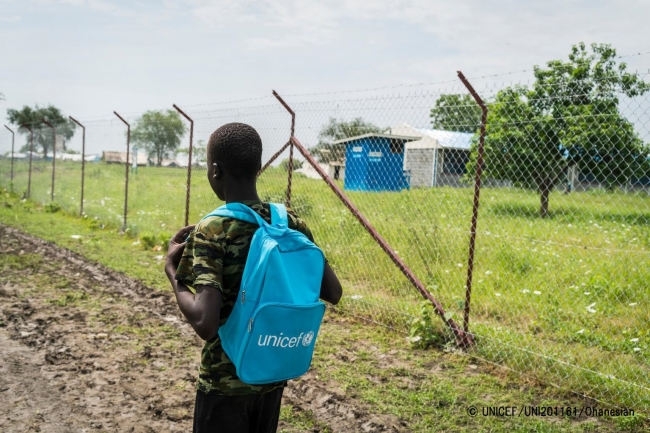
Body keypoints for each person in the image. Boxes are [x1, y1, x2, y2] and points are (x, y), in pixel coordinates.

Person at [164, 123, 343, 433]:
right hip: (270, 375)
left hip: (224, 385)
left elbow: (205, 324)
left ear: (215, 171)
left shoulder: (213, 229)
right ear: (258, 167)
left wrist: (174, 275)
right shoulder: (289, 223)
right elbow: (333, 291)